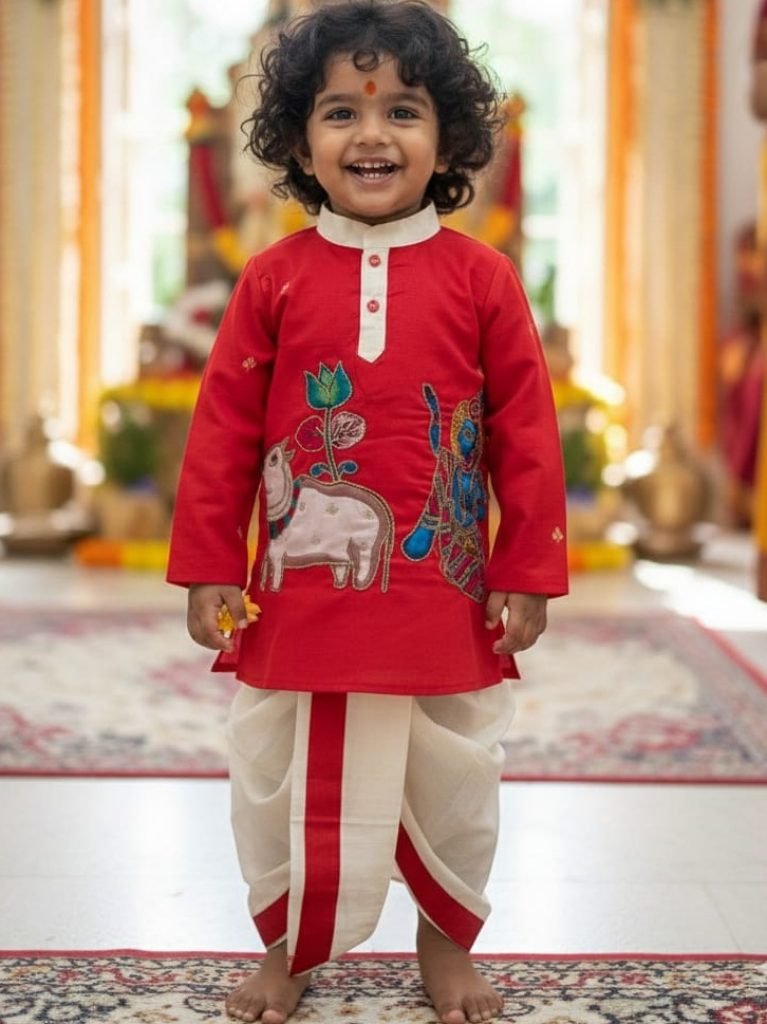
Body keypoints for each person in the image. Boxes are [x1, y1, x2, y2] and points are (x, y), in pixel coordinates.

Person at [167, 2, 568, 1021]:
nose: (371, 134)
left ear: (449, 137)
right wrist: (209, 563)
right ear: (298, 139)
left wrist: (526, 569)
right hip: (295, 600)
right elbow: (222, 432)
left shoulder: (483, 278)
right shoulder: (271, 278)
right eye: (340, 112)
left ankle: (445, 941)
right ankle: (290, 948)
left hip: (443, 595)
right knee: (276, 771)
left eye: (402, 111)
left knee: (455, 773)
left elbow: (525, 434)